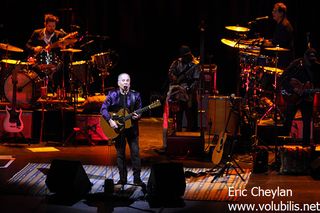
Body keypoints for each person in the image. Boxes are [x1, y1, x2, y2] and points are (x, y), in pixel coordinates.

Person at [100, 73, 143, 185]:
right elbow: (103, 109)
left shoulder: (136, 95)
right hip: (117, 129)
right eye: (123, 80)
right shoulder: (112, 94)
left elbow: (139, 110)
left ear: (130, 83)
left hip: (132, 128)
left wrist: (138, 116)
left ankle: (137, 179)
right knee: (120, 154)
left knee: (135, 153)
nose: (125, 82)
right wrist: (110, 120)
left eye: (127, 80)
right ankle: (122, 178)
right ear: (119, 83)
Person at [280, 48, 320, 146]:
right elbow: (283, 78)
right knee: (288, 121)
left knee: (307, 123)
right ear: (305, 57)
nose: (311, 62)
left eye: (313, 59)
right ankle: (282, 146)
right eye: (310, 59)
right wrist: (293, 89)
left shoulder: (317, 67)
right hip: (293, 97)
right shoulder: (296, 64)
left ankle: (305, 148)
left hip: (307, 97)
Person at [25, 14, 68, 93]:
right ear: (45, 24)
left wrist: (63, 48)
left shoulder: (59, 35)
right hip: (39, 62)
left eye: (53, 26)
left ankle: (55, 93)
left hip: (54, 62)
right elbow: (27, 45)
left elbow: (63, 50)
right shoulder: (37, 33)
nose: (52, 28)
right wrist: (34, 49)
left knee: (61, 68)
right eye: (49, 26)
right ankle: (36, 92)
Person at [166, 45, 201, 133]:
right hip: (178, 93)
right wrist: (174, 78)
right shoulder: (177, 62)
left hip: (190, 94)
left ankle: (190, 136)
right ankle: (178, 134)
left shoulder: (195, 65)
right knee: (178, 116)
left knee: (191, 117)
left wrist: (189, 89)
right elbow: (170, 72)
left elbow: (197, 80)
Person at [263, 2, 294, 69]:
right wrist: (267, 41)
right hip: (281, 58)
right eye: (273, 11)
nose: (272, 13)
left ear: (281, 13)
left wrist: (266, 43)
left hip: (283, 60)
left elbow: (279, 43)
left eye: (275, 11)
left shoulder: (284, 26)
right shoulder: (281, 24)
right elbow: (277, 39)